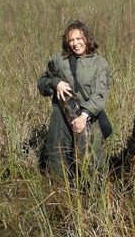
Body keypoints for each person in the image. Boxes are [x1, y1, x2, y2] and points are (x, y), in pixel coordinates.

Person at [37, 20, 111, 180]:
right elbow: (42, 83)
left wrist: (84, 116)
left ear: (86, 38)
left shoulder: (99, 63)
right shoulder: (59, 60)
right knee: (58, 157)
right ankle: (61, 193)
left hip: (88, 116)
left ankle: (94, 196)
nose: (75, 43)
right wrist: (55, 83)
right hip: (60, 116)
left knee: (92, 162)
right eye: (71, 40)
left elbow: (100, 93)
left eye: (79, 39)